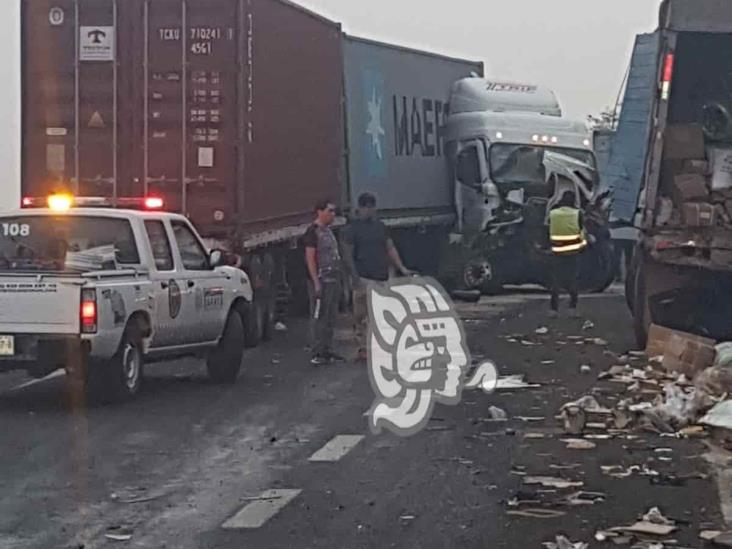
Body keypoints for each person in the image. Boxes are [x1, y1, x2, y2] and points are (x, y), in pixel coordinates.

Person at [343, 192, 415, 362]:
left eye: (371, 207)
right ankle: (363, 348)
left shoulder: (380, 227)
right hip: (363, 276)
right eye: (366, 207)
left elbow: (390, 248)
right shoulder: (352, 229)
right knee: (361, 316)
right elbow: (347, 253)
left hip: (381, 276)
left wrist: (402, 268)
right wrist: (354, 276)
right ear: (359, 209)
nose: (369, 210)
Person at [303, 199, 344, 366]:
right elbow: (310, 258)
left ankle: (327, 350)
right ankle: (317, 351)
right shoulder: (312, 232)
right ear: (319, 211)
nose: (333, 214)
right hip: (321, 280)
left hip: (333, 279)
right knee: (319, 317)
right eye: (330, 211)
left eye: (334, 211)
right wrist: (316, 282)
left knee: (330, 317)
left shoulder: (328, 231)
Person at [548, 190, 587, 318]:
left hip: (557, 251)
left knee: (556, 281)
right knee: (573, 280)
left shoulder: (553, 213)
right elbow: (582, 230)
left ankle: (553, 310)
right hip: (574, 251)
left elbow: (547, 229)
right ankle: (572, 308)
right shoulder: (578, 213)